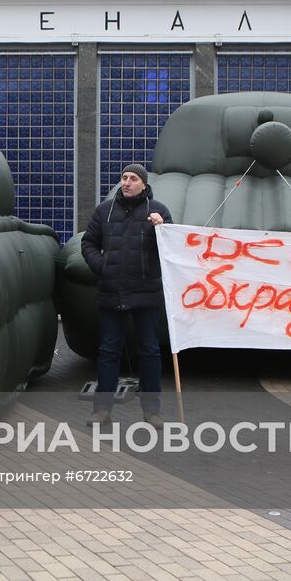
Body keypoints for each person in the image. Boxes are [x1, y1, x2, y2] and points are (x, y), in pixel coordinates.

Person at [80, 163, 173, 427]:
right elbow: (89, 243)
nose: (127, 182)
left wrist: (161, 228)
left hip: (146, 293)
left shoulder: (158, 211)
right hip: (112, 292)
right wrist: (102, 266)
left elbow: (170, 248)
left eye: (133, 178)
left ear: (144, 184)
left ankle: (152, 411)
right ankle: (102, 410)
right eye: (124, 177)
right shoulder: (104, 211)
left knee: (150, 352)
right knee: (109, 351)